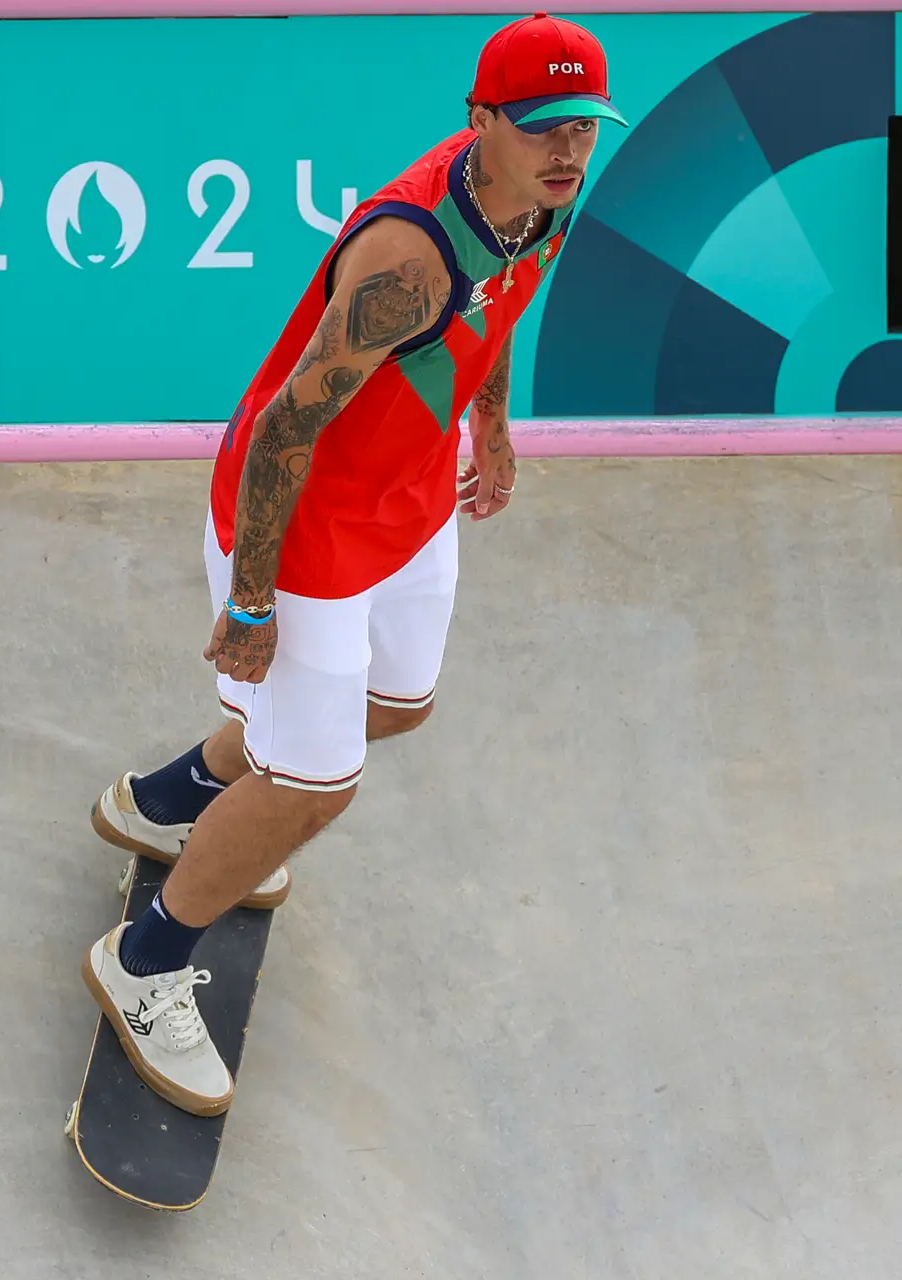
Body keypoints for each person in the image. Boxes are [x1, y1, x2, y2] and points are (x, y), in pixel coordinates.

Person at [82, 11, 629, 1117]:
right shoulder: (409, 259)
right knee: (317, 784)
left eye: (581, 125)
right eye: (541, 128)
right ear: (482, 123)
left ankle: (168, 798)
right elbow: (288, 426)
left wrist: (496, 426)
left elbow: (506, 307)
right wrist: (249, 597)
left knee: (397, 703)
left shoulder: (541, 202)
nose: (568, 148)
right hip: (306, 531)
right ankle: (142, 961)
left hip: (413, 496)